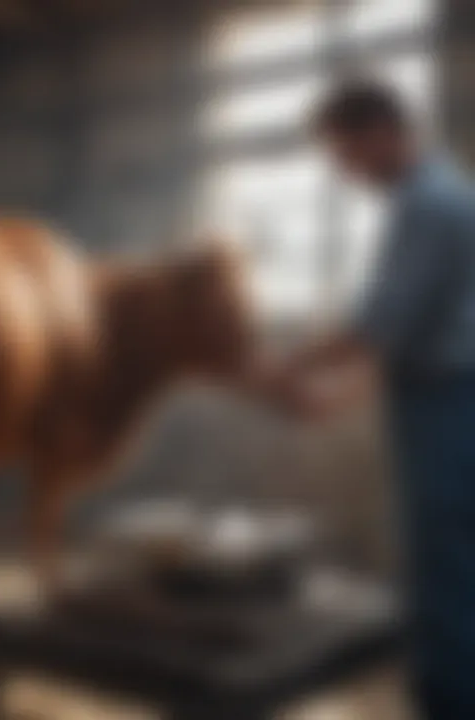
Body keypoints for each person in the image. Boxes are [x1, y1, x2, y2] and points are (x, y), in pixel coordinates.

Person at [277, 79, 475, 719]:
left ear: (382, 134)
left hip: (450, 406)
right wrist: (340, 396)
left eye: (345, 154)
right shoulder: (446, 195)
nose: (344, 172)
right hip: (442, 393)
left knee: (444, 559)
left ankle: (450, 702)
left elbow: (376, 328)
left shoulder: (429, 204)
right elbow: (410, 333)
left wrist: (290, 364)